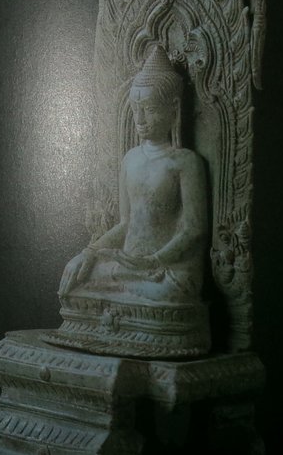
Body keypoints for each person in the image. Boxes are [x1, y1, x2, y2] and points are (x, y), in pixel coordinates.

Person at [58, 47, 209, 308]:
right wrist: (89, 253)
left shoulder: (186, 162)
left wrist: (155, 260)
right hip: (128, 264)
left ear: (173, 108)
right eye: (135, 109)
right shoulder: (130, 160)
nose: (139, 118)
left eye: (148, 109)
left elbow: (194, 230)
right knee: (77, 282)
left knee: (168, 295)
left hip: (167, 270)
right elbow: (126, 223)